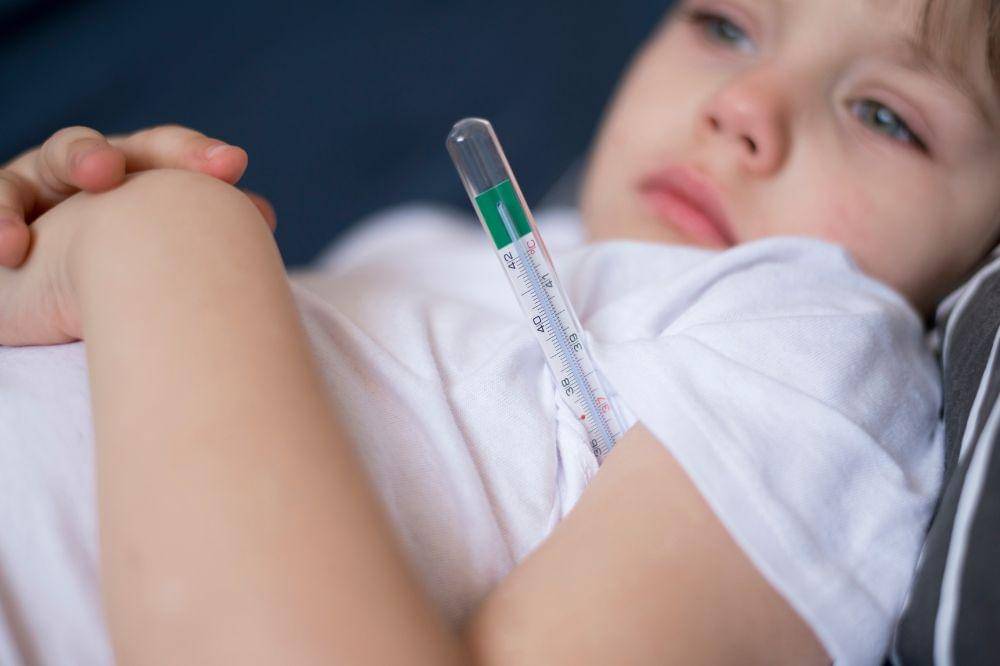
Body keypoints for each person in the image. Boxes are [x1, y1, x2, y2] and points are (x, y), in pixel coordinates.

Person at [0, 0, 998, 662]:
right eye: (727, 26)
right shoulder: (419, 247)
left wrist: (164, 246)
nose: (743, 105)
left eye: (884, 116)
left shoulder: (811, 348)